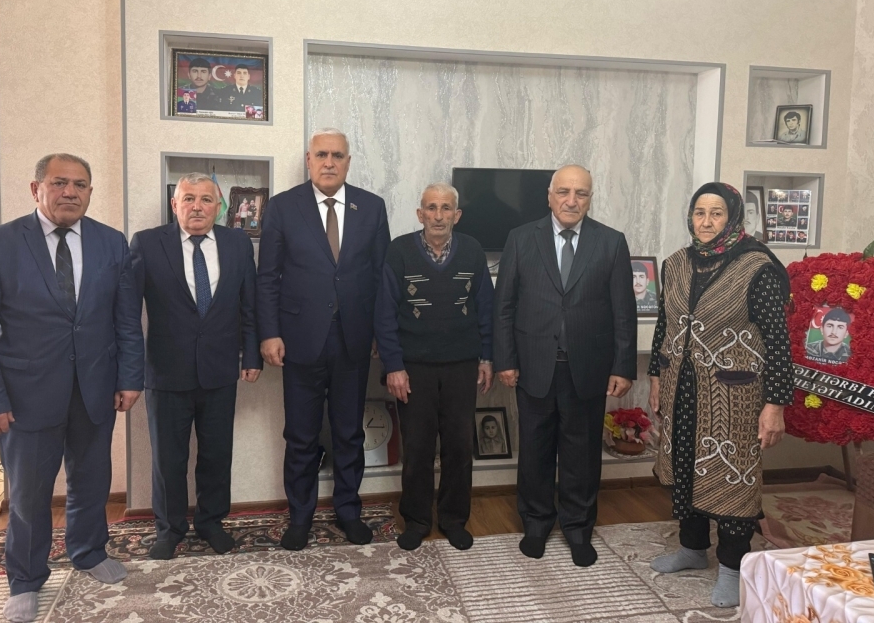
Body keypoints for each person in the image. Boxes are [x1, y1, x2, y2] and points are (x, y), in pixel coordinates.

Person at [0, 154, 145, 623]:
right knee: (28, 494)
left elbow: (126, 319)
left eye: (80, 185)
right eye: (59, 183)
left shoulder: (111, 242)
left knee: (92, 480)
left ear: (89, 192)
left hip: (95, 388)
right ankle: (25, 579)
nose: (70, 193)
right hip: (25, 394)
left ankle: (89, 551)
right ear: (35, 188)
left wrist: (130, 377)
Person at [647, 182, 793, 609]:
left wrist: (775, 404)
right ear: (690, 218)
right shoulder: (676, 264)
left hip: (735, 394)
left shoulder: (757, 267)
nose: (706, 222)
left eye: (716, 213)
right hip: (681, 387)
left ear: (733, 218)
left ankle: (733, 566)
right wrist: (655, 376)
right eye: (699, 213)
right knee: (685, 466)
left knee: (733, 475)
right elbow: (665, 325)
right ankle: (693, 549)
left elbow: (778, 341)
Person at [494, 165, 637, 566]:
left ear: (590, 198)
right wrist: (505, 359)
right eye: (564, 192)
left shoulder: (611, 242)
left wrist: (623, 366)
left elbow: (623, 311)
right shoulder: (521, 238)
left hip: (587, 368)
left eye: (581, 193)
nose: (572, 201)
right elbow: (503, 306)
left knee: (582, 454)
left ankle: (578, 529)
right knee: (535, 450)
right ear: (549, 195)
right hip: (533, 366)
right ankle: (536, 524)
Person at [257, 127, 390, 551]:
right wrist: (270, 333)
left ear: (348, 161)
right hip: (299, 340)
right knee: (301, 434)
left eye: (337, 155)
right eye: (321, 155)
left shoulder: (371, 207)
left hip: (354, 339)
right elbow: (268, 277)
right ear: (308, 160)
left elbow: (381, 278)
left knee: (349, 432)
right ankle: (300, 517)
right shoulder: (283, 207)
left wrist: (379, 334)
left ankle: (349, 511)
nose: (329, 162)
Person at [130, 173, 263, 560]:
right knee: (168, 459)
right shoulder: (147, 243)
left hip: (221, 370)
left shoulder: (237, 243)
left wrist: (252, 355)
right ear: (175, 205)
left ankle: (210, 522)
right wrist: (129, 370)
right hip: (165, 372)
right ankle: (169, 528)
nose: (197, 207)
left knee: (216, 455)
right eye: (188, 198)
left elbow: (249, 304)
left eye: (206, 199)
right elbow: (128, 312)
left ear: (219, 207)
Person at [374, 183, 494, 552]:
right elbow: (384, 313)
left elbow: (485, 308)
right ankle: (417, 520)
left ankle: (454, 519)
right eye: (431, 208)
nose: (438, 215)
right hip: (414, 368)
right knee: (418, 448)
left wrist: (487, 357)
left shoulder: (472, 251)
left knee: (459, 446)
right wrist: (394, 366)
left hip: (462, 365)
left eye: (445, 208)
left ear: (457, 215)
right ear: (420, 214)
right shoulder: (399, 251)